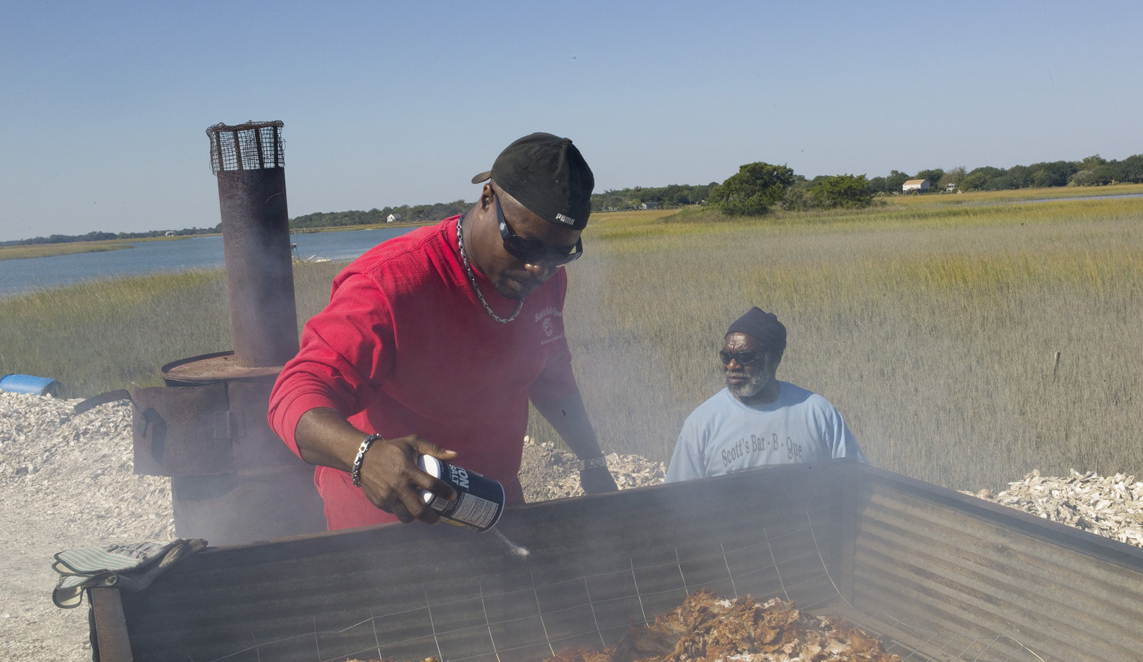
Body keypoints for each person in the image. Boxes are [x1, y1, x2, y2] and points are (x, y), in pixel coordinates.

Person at [268, 132, 617, 530]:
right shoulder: (390, 282)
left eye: (561, 254)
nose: (540, 268)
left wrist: (592, 461)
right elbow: (294, 391)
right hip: (389, 522)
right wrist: (364, 456)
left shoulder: (544, 280)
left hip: (491, 506)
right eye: (525, 244)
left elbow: (553, 377)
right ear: (487, 199)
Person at [665, 307, 866, 481]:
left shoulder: (819, 414)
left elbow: (858, 481)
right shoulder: (701, 423)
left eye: (745, 357)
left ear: (774, 360)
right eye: (726, 356)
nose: (732, 365)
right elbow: (678, 503)